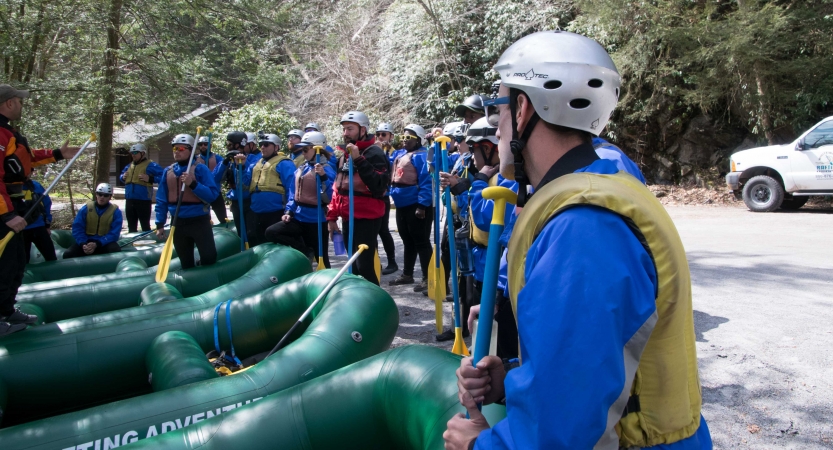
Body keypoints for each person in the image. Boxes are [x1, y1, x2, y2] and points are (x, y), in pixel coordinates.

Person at [444, 31, 711, 450]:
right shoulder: (606, 185)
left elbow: (562, 430)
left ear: (524, 107)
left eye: (499, 112)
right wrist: (511, 379)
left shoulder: (582, 227)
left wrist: (480, 446)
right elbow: (595, 362)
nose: (496, 134)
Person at [0, 84, 81, 336]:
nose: (22, 106)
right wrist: (6, 215)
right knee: (4, 264)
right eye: (20, 101)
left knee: (16, 262)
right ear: (9, 103)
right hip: (5, 213)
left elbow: (28, 158)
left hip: (16, 208)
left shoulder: (9, 133)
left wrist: (58, 153)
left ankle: (6, 310)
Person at [326, 110, 391, 285]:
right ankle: (356, 301)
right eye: (344, 129)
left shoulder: (374, 153)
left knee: (364, 266)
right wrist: (331, 217)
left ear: (362, 130)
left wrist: (359, 159)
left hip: (367, 217)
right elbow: (337, 189)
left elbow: (379, 186)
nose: (345, 133)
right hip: (348, 217)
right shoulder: (343, 157)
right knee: (352, 266)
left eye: (350, 129)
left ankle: (375, 304)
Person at [265, 132, 335, 267]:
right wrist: (289, 212)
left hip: (316, 220)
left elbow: (329, 197)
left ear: (317, 149)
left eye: (305, 150)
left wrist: (324, 178)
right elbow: (293, 192)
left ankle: (327, 282)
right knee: (272, 232)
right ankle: (304, 250)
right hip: (299, 217)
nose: (303, 153)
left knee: (323, 259)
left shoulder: (327, 170)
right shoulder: (302, 168)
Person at [155, 133, 219, 269]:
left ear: (191, 150)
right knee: (186, 261)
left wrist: (193, 184)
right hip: (177, 222)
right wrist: (160, 224)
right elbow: (161, 199)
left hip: (199, 220)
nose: (177, 152)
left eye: (181, 149)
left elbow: (212, 195)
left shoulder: (201, 169)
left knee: (209, 257)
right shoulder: (168, 172)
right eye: (175, 149)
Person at [388, 124, 432, 289]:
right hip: (402, 205)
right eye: (404, 138)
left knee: (421, 242)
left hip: (416, 205)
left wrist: (422, 205)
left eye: (409, 138)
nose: (405, 141)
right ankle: (407, 274)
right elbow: (389, 162)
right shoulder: (401, 154)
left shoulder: (421, 157)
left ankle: (428, 278)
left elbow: (426, 182)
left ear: (418, 140)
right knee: (407, 241)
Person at [246, 133, 296, 246]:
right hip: (256, 211)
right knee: (257, 241)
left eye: (266, 144)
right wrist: (241, 166)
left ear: (276, 147)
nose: (262, 147)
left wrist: (290, 210)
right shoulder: (256, 164)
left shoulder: (284, 163)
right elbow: (244, 182)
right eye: (261, 145)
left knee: (275, 241)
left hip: (276, 211)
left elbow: (292, 189)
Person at [213, 131, 257, 237]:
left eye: (230, 144)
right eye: (227, 144)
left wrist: (242, 164)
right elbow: (215, 178)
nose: (228, 147)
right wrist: (224, 162)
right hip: (236, 202)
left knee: (251, 233)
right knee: (241, 233)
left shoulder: (251, 159)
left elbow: (248, 180)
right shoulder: (228, 160)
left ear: (239, 144)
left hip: (250, 201)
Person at [64, 183, 123, 258]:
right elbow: (77, 227)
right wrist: (83, 243)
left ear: (110, 197)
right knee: (68, 254)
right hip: (86, 242)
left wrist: (98, 243)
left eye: (105, 195)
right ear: (96, 195)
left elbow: (115, 233)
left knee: (115, 250)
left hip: (104, 242)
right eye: (100, 194)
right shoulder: (86, 209)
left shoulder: (115, 212)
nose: (102, 197)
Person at [119, 143, 164, 232]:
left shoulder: (151, 165)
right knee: (131, 227)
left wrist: (150, 178)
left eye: (135, 153)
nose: (133, 155)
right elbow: (121, 176)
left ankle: (147, 243)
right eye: (132, 153)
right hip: (129, 200)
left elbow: (164, 176)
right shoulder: (129, 166)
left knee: (145, 226)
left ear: (142, 153)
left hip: (143, 201)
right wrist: (122, 177)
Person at [375, 122, 398, 275]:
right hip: (374, 194)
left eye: (384, 134)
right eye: (379, 134)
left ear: (391, 136)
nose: (381, 137)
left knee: (383, 230)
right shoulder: (373, 150)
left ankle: (392, 262)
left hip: (385, 195)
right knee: (372, 231)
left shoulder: (396, 153)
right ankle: (374, 261)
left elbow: (391, 169)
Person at [195, 136, 228, 224]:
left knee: (223, 217)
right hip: (201, 194)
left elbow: (223, 171)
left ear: (210, 146)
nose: (203, 146)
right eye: (201, 144)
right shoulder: (195, 160)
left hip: (215, 191)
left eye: (205, 144)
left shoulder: (218, 158)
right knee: (204, 219)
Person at [21, 180, 56, 263]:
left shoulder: (35, 185)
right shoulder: (6, 187)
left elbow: (46, 203)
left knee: (51, 257)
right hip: (20, 230)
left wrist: (47, 225)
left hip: (39, 227)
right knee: (23, 261)